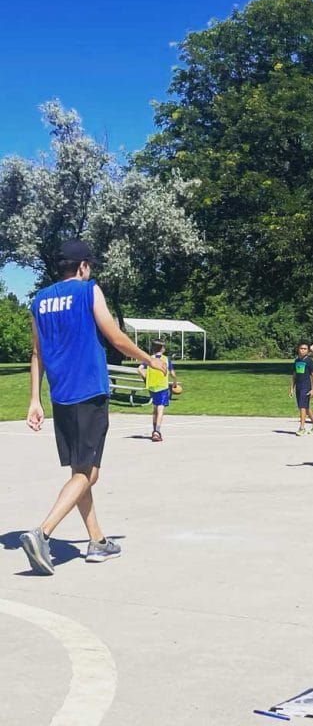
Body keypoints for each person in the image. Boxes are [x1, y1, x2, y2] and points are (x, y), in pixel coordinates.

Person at [21, 239, 166, 575]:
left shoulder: (39, 300)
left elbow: (36, 353)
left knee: (80, 472)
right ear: (83, 266)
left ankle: (97, 541)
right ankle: (42, 533)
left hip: (61, 398)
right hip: (89, 392)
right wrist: (150, 360)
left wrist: (34, 400)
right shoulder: (89, 291)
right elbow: (115, 337)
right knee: (89, 473)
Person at [138, 339, 179, 442]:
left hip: (152, 387)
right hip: (162, 386)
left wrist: (146, 378)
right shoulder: (166, 359)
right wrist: (175, 382)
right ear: (162, 348)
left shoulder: (149, 359)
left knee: (155, 408)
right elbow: (173, 374)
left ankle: (154, 430)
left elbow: (139, 369)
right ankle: (157, 431)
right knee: (160, 409)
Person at [290, 340, 313, 436]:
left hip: (306, 386)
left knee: (302, 407)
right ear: (298, 349)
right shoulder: (297, 361)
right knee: (304, 407)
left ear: (308, 350)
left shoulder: (309, 361)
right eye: (301, 348)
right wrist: (292, 388)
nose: (303, 350)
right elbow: (294, 375)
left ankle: (302, 427)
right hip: (298, 386)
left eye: (305, 349)